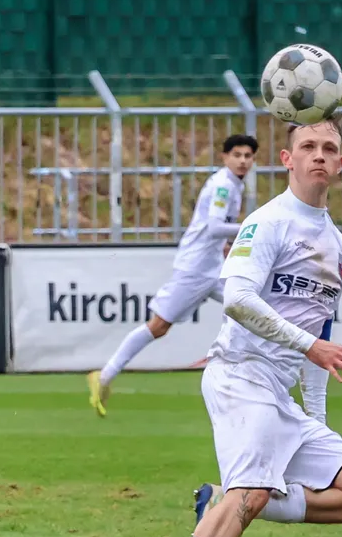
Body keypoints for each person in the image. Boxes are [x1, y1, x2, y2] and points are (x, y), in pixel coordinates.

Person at [149, 119, 342, 537]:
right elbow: (237, 299)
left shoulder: (339, 246)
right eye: (308, 147)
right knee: (252, 489)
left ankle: (224, 499)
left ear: (341, 164)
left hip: (279, 393)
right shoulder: (268, 221)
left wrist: (317, 418)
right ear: (287, 159)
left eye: (329, 148)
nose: (319, 155)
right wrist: (311, 346)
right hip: (239, 374)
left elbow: (320, 340)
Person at [88, 134, 258, 415]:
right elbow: (215, 227)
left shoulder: (234, 185)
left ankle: (246, 377)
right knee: (158, 326)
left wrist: (229, 246)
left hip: (213, 265)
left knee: (250, 308)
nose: (242, 161)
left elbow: (217, 232)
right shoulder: (223, 187)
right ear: (224, 157)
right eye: (237, 155)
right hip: (196, 268)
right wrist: (254, 227)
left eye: (248, 156)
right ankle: (104, 376)